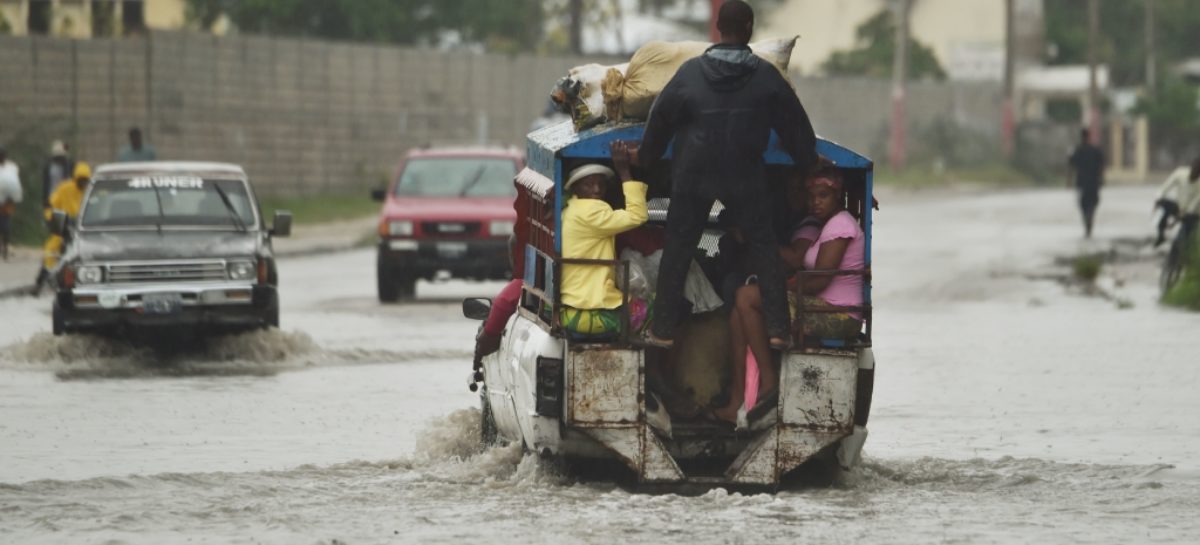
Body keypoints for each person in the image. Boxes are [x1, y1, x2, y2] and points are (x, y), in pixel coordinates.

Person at [637, 0, 818, 349]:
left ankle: (662, 330)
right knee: (764, 246)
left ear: (719, 27)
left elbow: (659, 119)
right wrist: (809, 161)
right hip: (744, 175)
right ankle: (778, 330)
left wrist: (645, 158)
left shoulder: (689, 73)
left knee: (679, 245)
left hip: (693, 174)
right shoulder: (767, 77)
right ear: (748, 27)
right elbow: (795, 126)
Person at [716, 168, 864, 423]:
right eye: (811, 196)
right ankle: (737, 399)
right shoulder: (826, 225)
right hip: (818, 305)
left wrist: (778, 287)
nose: (815, 202)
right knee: (739, 309)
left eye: (823, 195)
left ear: (836, 196)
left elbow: (819, 280)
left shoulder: (841, 225)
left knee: (746, 297)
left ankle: (769, 380)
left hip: (836, 313)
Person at [559, 141, 648, 336]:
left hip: (571, 302)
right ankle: (657, 365)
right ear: (576, 188)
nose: (597, 190)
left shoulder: (570, 210)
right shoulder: (592, 210)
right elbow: (638, 216)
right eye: (588, 184)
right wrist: (624, 171)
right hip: (592, 304)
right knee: (655, 307)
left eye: (600, 183)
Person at [34, 162, 91, 293]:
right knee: (51, 248)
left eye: (85, 180)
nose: (82, 183)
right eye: (80, 180)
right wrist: (51, 219)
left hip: (83, 229)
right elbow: (51, 204)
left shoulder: (90, 191)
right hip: (63, 225)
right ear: (75, 178)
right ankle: (41, 280)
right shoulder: (65, 188)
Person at [1154, 157, 1200, 248]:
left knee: (1185, 234)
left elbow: (1193, 205)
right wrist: (1157, 199)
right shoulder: (1180, 174)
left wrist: (1176, 221)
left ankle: (1183, 247)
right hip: (1179, 207)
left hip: (1193, 213)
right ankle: (1161, 236)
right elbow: (1165, 187)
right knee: (1163, 202)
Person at [1068, 128, 1105, 238]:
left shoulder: (1077, 150)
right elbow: (1102, 165)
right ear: (1088, 137)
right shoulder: (1095, 150)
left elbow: (1071, 166)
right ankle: (1089, 218)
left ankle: (1087, 220)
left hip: (1083, 183)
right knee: (1092, 204)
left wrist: (1068, 180)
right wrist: (1102, 179)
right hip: (1093, 182)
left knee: (1084, 205)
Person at [0, 146, 23, 260]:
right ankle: (4, 248)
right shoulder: (10, 168)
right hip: (6, 201)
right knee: (4, 225)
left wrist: (12, 197)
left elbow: (14, 184)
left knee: (6, 226)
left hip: (7, 202)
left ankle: (5, 248)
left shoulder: (10, 167)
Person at [42, 140, 74, 208]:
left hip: (66, 200)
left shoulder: (69, 166)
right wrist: (45, 201)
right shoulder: (49, 167)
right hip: (52, 199)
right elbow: (46, 184)